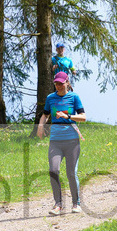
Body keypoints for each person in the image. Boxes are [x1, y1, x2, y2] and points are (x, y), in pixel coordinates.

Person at [38, 71, 86, 215]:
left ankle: (76, 203)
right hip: (55, 141)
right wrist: (41, 125)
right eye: (56, 83)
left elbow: (83, 117)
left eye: (61, 83)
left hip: (72, 140)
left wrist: (68, 116)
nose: (58, 86)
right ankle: (58, 204)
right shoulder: (50, 98)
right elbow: (45, 114)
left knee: (71, 173)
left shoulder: (74, 97)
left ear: (67, 83)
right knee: (53, 171)